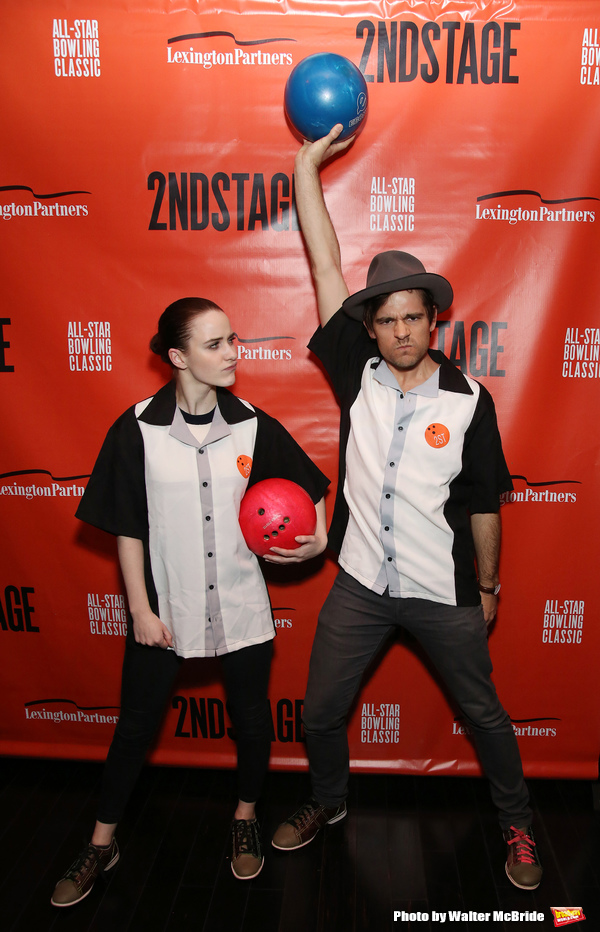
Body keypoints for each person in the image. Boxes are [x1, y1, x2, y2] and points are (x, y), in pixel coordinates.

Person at [271, 126, 542, 892]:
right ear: (371, 327)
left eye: (412, 318)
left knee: (486, 717)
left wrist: (488, 588)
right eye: (385, 319)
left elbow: (485, 501)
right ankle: (328, 803)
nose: (398, 331)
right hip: (358, 584)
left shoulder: (467, 400)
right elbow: (325, 262)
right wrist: (303, 167)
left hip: (442, 590)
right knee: (320, 713)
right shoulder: (356, 369)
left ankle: (518, 825)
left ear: (433, 321)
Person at [51, 297, 329, 907]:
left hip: (241, 604)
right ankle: (102, 842)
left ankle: (245, 817)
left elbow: (312, 487)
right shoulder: (136, 428)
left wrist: (319, 540)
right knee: (134, 729)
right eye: (215, 344)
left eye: (234, 339)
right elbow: (127, 527)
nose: (233, 352)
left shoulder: (254, 423)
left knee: (253, 719)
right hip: (166, 609)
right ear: (177, 356)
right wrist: (140, 611)